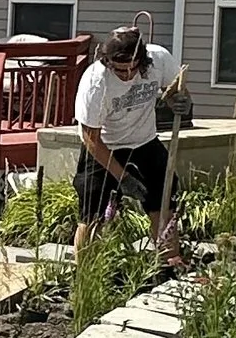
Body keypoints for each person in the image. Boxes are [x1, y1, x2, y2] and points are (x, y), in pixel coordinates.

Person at [72, 23, 186, 255]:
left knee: (163, 205)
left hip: (145, 142)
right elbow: (90, 137)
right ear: (107, 61)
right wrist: (123, 177)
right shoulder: (95, 82)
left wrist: (178, 100)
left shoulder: (159, 58)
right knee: (92, 215)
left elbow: (177, 88)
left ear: (143, 60)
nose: (127, 75)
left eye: (133, 68)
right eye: (120, 70)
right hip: (105, 147)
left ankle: (168, 263)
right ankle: (84, 276)